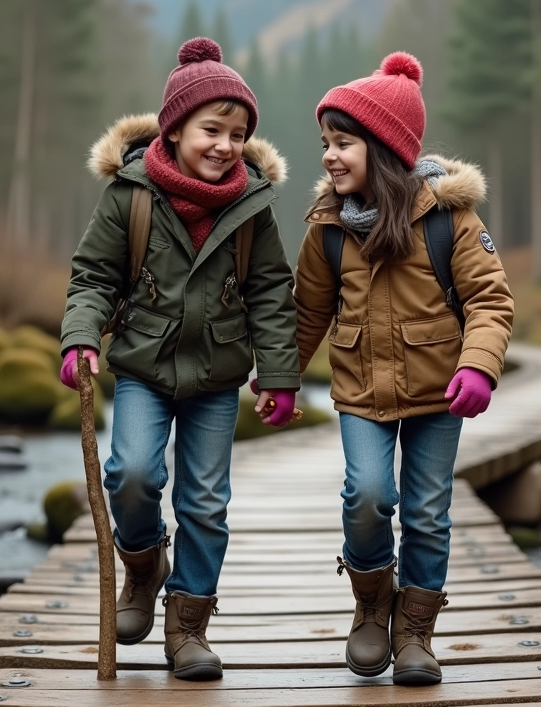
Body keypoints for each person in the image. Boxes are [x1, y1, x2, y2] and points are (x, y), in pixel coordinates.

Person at [59, 37, 300, 681]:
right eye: (211, 130)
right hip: (142, 366)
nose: (225, 145)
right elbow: (92, 277)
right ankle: (143, 565)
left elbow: (272, 292)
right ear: (174, 128)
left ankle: (189, 625)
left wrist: (277, 374)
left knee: (206, 501)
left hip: (218, 378)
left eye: (238, 132)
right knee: (132, 474)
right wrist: (80, 335)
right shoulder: (130, 195)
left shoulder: (252, 208)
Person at [293, 51, 515, 685]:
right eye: (326, 143)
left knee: (427, 510)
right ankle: (371, 606)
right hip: (362, 389)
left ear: (385, 149)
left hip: (440, 392)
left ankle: (415, 630)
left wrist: (479, 367)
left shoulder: (449, 219)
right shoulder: (329, 228)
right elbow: (307, 313)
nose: (329, 156)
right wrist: (282, 379)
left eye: (343, 143)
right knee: (367, 495)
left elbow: (490, 298)